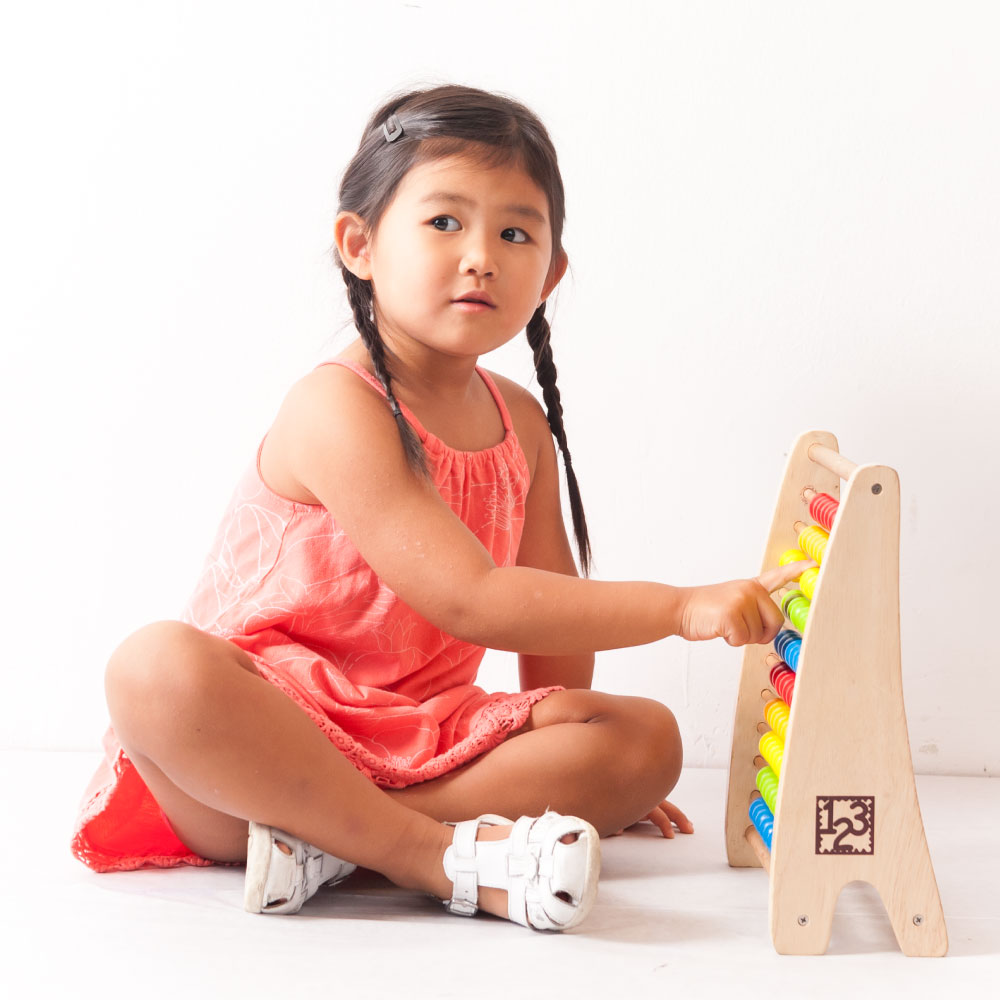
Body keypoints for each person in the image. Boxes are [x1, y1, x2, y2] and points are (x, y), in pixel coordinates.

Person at [71, 84, 808, 932]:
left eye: (516, 233)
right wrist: (681, 608)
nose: (481, 255)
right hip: (254, 747)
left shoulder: (519, 424)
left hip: (414, 740)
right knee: (154, 665)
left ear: (552, 272)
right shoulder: (336, 408)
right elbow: (471, 598)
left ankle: (331, 841)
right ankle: (422, 854)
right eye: (445, 222)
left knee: (646, 740)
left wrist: (587, 770)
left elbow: (549, 628)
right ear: (359, 244)